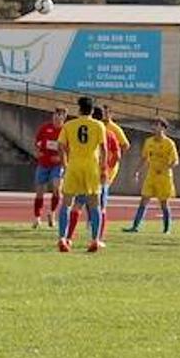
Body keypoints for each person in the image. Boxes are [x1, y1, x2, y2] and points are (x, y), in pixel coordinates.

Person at [55, 96, 108, 253]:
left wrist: (65, 163)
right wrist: (104, 168)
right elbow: (104, 149)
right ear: (92, 110)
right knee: (94, 204)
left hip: (74, 166)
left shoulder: (69, 125)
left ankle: (62, 238)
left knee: (67, 203)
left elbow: (60, 145)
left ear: (79, 109)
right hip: (91, 167)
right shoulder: (98, 125)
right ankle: (95, 240)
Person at [126, 119, 179, 234]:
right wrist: (137, 171)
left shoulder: (169, 143)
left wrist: (165, 168)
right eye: (154, 125)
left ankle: (166, 229)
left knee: (164, 202)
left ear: (164, 128)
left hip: (164, 177)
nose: (154, 127)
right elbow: (144, 158)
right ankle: (135, 226)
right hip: (151, 175)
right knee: (144, 200)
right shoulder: (148, 141)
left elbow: (175, 161)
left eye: (157, 125)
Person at [30, 107, 67, 229]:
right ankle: (37, 217)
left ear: (64, 118)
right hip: (43, 163)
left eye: (59, 116)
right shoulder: (45, 128)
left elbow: (70, 149)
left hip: (57, 165)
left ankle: (52, 213)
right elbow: (37, 142)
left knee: (57, 188)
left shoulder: (66, 131)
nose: (56, 118)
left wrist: (60, 158)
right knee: (40, 191)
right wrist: (37, 152)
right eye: (55, 115)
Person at [99, 105, 131, 231]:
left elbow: (125, 144)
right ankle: (94, 219)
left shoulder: (114, 129)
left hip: (109, 166)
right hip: (96, 164)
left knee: (102, 190)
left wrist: (114, 157)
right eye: (103, 113)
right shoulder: (98, 125)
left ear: (111, 114)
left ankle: (99, 221)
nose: (105, 115)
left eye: (107, 113)